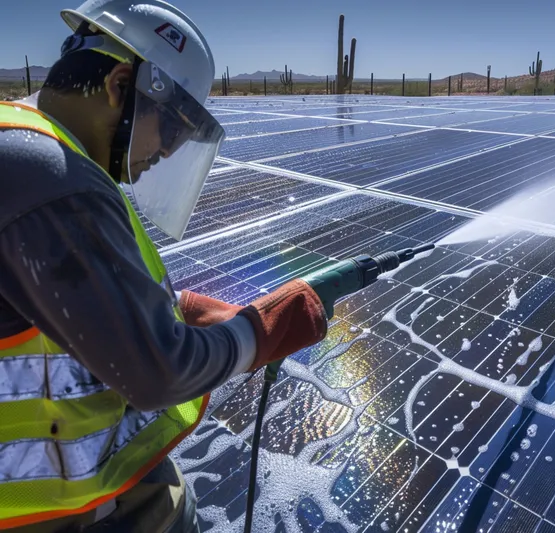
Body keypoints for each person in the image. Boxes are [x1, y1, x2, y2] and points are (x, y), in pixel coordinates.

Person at [0, 1, 328, 531]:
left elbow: (51, 299)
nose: (168, 152)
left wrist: (176, 306)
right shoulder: (50, 175)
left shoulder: (42, 152)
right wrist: (258, 333)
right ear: (120, 86)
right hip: (45, 513)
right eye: (172, 129)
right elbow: (156, 371)